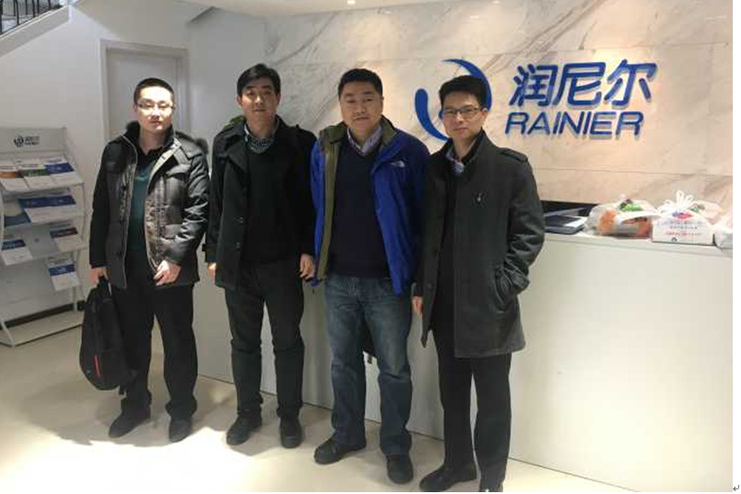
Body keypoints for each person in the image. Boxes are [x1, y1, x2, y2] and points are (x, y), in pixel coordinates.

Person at [413, 75, 545, 492]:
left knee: (492, 399)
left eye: (467, 110)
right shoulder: (434, 167)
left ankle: (491, 477)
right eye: (450, 111)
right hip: (443, 304)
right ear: (442, 116)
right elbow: (426, 235)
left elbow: (529, 234)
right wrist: (420, 286)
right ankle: (457, 464)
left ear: (484, 113)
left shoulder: (510, 168)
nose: (458, 118)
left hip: (489, 306)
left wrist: (503, 284)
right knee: (452, 394)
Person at [310, 68, 429, 484]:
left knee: (394, 368)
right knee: (343, 363)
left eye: (367, 98)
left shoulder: (409, 151)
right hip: (339, 278)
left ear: (381, 101)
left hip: (387, 282)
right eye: (350, 99)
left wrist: (418, 278)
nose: (359, 107)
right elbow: (316, 205)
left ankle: (395, 445)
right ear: (340, 104)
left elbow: (424, 220)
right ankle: (348, 434)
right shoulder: (325, 148)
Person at [89, 77, 209, 443]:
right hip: (125, 269)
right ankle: (135, 406)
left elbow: (198, 211)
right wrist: (97, 259)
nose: (155, 112)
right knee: (132, 342)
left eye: (163, 105)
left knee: (178, 343)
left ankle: (182, 410)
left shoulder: (190, 153)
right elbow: (102, 207)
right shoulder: (115, 152)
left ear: (173, 109)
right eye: (148, 105)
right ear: (135, 108)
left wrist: (175, 258)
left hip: (170, 272)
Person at [205, 63, 316, 448]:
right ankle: (247, 413)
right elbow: (216, 203)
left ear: (278, 98)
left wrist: (308, 248)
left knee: (287, 341)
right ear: (240, 100)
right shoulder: (224, 143)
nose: (259, 99)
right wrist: (213, 251)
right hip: (238, 264)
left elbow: (311, 203)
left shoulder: (300, 143)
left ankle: (289, 416)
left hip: (284, 263)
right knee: (243, 343)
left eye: (266, 92)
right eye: (251, 93)